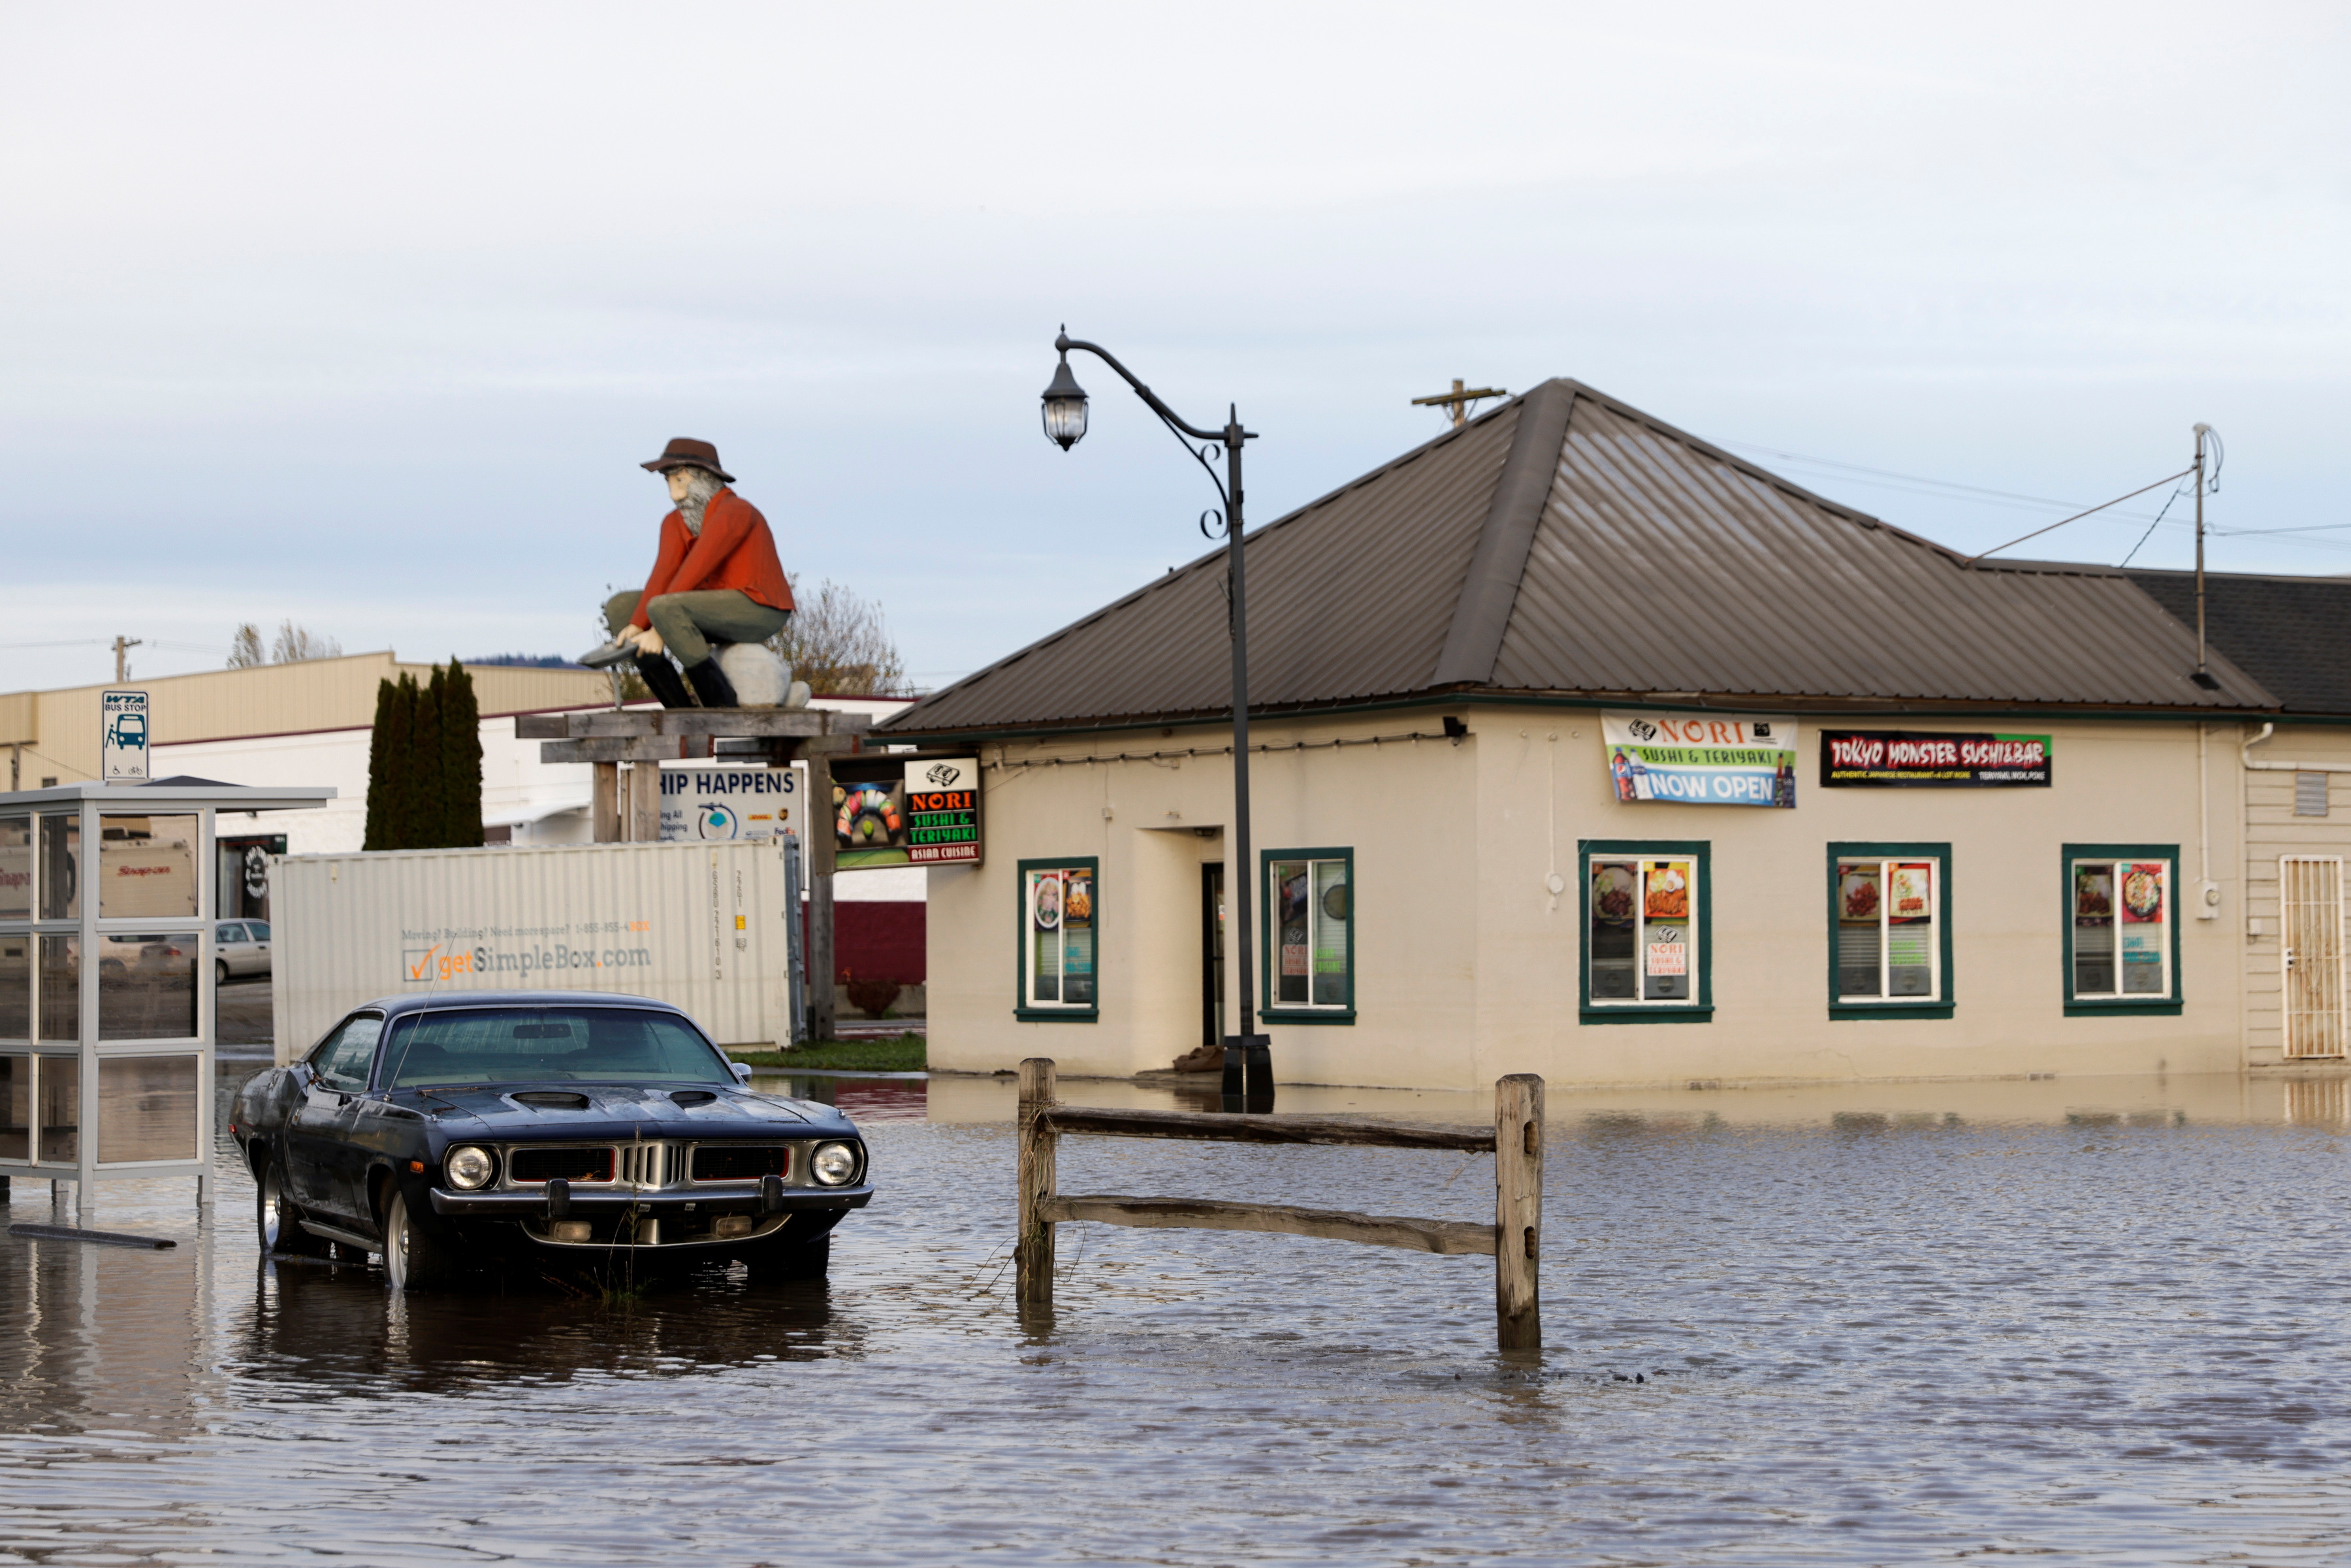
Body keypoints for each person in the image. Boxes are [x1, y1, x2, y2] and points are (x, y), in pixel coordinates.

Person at [580, 438, 793, 709]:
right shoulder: (674, 521)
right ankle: (678, 707)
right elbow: (663, 573)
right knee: (621, 607)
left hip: (758, 608)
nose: (675, 494)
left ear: (707, 479)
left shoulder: (736, 511)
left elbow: (697, 567)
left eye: (681, 481)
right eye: (668, 482)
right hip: (701, 610)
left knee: (665, 607)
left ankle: (721, 705)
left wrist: (658, 631)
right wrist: (636, 625)